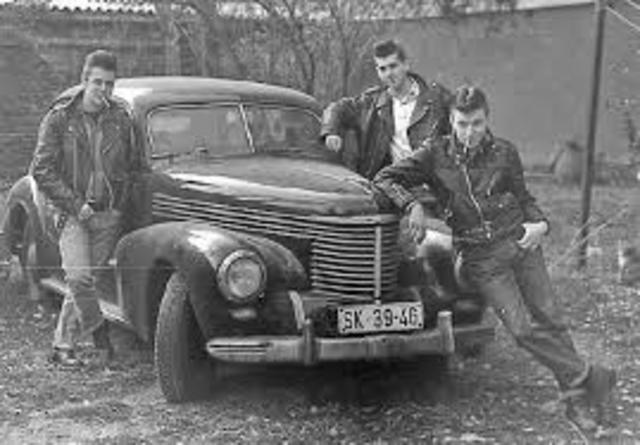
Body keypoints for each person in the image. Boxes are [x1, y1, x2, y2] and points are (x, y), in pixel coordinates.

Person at [373, 86, 616, 432]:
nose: (470, 132)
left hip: (521, 243)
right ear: (451, 121)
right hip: (480, 257)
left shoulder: (504, 152)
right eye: (462, 124)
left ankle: (578, 403)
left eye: (477, 123)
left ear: (487, 119)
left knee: (551, 319)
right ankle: (592, 377)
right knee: (521, 329)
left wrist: (541, 224)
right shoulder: (434, 154)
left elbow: (524, 198)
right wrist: (411, 204)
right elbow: (385, 178)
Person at [30, 50, 145, 367]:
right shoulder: (60, 118)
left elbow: (132, 167)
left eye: (109, 84)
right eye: (98, 82)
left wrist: (119, 206)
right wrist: (75, 205)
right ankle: (101, 337)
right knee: (79, 278)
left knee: (84, 284)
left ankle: (62, 347)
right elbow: (42, 170)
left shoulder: (121, 119)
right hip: (72, 214)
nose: (103, 90)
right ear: (84, 80)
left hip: (108, 214)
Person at [320, 39, 452, 180]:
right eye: (383, 69)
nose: (389, 73)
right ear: (377, 71)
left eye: (393, 66)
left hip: (431, 182)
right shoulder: (371, 103)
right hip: (389, 182)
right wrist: (331, 132)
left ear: (406, 65)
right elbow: (337, 108)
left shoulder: (438, 99)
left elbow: (459, 130)